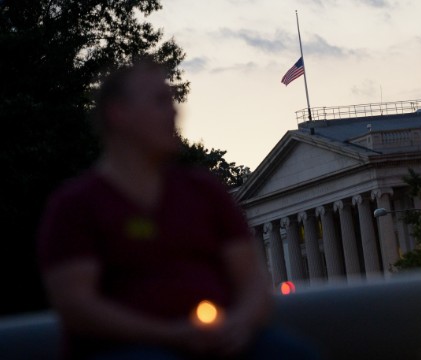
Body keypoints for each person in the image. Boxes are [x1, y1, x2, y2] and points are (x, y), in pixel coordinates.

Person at [37, 60, 318, 360]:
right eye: (160, 101)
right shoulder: (75, 205)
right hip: (126, 350)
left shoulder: (205, 192)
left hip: (223, 344)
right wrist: (170, 335)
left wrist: (240, 324)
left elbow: (252, 282)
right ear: (118, 113)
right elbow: (78, 306)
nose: (174, 111)